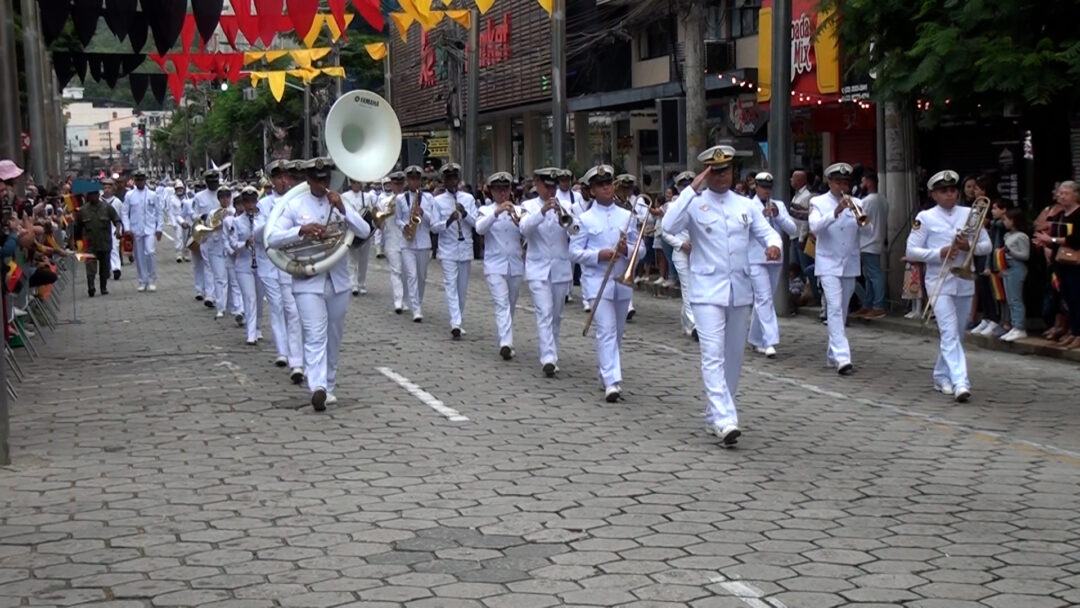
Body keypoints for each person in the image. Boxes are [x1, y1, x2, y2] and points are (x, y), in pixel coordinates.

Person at [662, 146, 782, 447]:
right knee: (712, 355)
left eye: (725, 170)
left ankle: (715, 413)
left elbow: (767, 232)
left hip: (738, 289)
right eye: (714, 172)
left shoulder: (745, 204)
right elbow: (668, 225)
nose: (720, 177)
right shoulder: (694, 203)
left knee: (734, 357)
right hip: (706, 290)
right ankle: (726, 418)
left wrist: (774, 245)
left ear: (733, 171)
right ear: (706, 173)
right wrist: (691, 188)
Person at [267, 158, 371, 411]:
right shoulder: (293, 205)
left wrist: (344, 211)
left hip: (337, 280)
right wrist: (300, 231)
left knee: (333, 337)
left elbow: (365, 231)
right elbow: (272, 238)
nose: (322, 184)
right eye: (316, 179)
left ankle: (330, 385)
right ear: (308, 180)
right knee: (315, 335)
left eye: (325, 179)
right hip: (307, 280)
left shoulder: (340, 202)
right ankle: (317, 387)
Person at [906, 170, 991, 401]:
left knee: (958, 333)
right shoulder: (925, 218)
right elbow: (911, 250)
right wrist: (939, 252)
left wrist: (967, 246)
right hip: (938, 279)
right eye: (944, 191)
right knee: (949, 331)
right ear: (933, 194)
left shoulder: (969, 213)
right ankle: (960, 381)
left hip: (964, 279)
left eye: (953, 190)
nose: (950, 195)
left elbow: (986, 246)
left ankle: (941, 375)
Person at [570, 164, 644, 402]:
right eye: (601, 186)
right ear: (592, 191)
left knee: (618, 332)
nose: (607, 189)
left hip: (622, 280)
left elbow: (640, 249)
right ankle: (613, 382)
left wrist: (628, 249)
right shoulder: (584, 219)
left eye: (609, 184)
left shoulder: (627, 216)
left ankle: (605, 371)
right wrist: (597, 255)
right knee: (606, 330)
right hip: (596, 281)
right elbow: (573, 252)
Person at [809, 162, 871, 375]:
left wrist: (861, 215)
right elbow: (814, 228)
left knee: (842, 311)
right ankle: (844, 358)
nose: (842, 186)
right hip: (827, 262)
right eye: (838, 182)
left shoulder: (857, 202)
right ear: (829, 182)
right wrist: (835, 212)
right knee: (834, 307)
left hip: (850, 263)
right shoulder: (818, 202)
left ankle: (832, 354)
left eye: (845, 182)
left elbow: (868, 230)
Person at [520, 168, 574, 376]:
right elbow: (524, 229)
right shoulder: (528, 206)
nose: (551, 191)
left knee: (556, 315)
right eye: (547, 186)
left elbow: (575, 230)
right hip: (537, 268)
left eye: (554, 187)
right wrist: (542, 212)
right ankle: (548, 357)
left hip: (560, 268)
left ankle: (553, 352)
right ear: (537, 184)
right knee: (544, 311)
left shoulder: (567, 205)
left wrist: (564, 214)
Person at [256, 160, 304, 378]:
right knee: (276, 307)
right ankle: (282, 351)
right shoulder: (265, 203)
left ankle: (296, 360)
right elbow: (256, 232)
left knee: (293, 311)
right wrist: (272, 224)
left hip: (290, 261)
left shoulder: (297, 201)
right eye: (278, 177)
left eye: (286, 177)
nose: (283, 181)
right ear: (272, 181)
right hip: (269, 263)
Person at [746, 172, 798, 357]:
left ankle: (755, 339)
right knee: (764, 298)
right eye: (762, 187)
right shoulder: (748, 205)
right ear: (756, 187)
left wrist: (778, 216)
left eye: (769, 188)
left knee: (765, 299)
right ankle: (770, 341)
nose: (766, 191)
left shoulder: (780, 205)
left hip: (776, 258)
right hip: (755, 257)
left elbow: (792, 229)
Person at [474, 171, 525, 360]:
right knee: (501, 302)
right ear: (491, 192)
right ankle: (506, 342)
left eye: (505, 189)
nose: (502, 194)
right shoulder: (486, 211)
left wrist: (517, 219)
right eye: (498, 190)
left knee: (510, 304)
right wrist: (497, 212)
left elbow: (527, 233)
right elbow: (479, 228)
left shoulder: (519, 210)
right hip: (494, 265)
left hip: (515, 265)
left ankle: (506, 338)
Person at [431, 163, 478, 338]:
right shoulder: (437, 201)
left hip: (465, 247)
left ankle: (459, 318)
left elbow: (477, 225)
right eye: (448, 179)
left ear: (458, 179)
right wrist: (449, 221)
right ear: (444, 181)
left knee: (462, 288)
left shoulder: (468, 199)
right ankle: (455, 322)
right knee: (450, 284)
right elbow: (434, 227)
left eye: (454, 178)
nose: (452, 182)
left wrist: (465, 214)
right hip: (447, 248)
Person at [1033, 180, 1080, 349]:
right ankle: (1073, 332)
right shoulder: (1060, 215)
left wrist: (1052, 239)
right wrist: (1045, 242)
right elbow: (1055, 239)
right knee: (1066, 298)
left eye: (1065, 193)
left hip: (1076, 262)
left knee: (1077, 297)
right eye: (1060, 193)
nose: (1061, 196)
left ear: (1075, 195)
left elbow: (1076, 239)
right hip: (1061, 262)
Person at [397, 165, 436, 322]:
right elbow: (398, 219)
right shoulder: (401, 198)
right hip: (407, 242)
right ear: (407, 181)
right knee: (411, 275)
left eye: (417, 179)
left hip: (423, 242)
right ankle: (416, 309)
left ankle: (418, 302)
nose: (414, 182)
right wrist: (403, 226)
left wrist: (423, 213)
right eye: (411, 179)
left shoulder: (428, 198)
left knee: (421, 276)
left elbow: (433, 221)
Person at [661, 171, 697, 339]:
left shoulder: (701, 204)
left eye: (690, 185)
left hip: (699, 254)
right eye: (683, 186)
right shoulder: (673, 206)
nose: (687, 189)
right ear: (678, 188)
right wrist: (681, 244)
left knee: (694, 290)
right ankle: (695, 325)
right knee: (688, 287)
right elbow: (665, 233)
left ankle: (686, 321)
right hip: (681, 253)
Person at [226, 187, 263, 345]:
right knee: (249, 298)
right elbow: (233, 243)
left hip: (261, 264)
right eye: (246, 202)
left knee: (260, 298)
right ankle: (250, 332)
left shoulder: (263, 219)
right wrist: (244, 244)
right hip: (244, 264)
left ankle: (258, 327)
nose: (249, 205)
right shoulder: (236, 221)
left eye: (252, 201)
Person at [73, 186, 123, 297]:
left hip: (104, 243)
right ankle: (91, 287)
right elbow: (77, 228)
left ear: (98, 195)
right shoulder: (83, 211)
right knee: (90, 268)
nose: (93, 197)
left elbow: (117, 220)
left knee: (104, 268)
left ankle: (103, 287)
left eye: (95, 195)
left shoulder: (107, 208)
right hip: (89, 244)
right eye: (90, 195)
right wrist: (76, 242)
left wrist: (118, 231)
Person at [121, 170, 163, 292]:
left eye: (142, 180)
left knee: (150, 252)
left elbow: (159, 212)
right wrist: (127, 228)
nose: (140, 182)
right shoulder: (129, 195)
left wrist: (159, 228)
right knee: (139, 256)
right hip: (135, 229)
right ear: (134, 181)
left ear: (145, 180)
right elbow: (124, 213)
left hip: (149, 228)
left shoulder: (152, 195)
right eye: (138, 180)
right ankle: (142, 280)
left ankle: (152, 279)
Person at [855, 169, 887, 318]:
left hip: (868, 241)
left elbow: (862, 220)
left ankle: (878, 304)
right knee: (869, 275)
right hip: (876, 240)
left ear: (868, 182)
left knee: (874, 275)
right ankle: (868, 303)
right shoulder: (883, 199)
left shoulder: (866, 201)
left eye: (863, 181)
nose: (861, 184)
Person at [999, 207, 1030, 342]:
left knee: (1016, 299)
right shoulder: (1007, 235)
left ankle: (1020, 326)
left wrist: (1010, 252)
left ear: (1013, 221)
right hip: (1007, 267)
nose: (1004, 222)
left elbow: (1025, 255)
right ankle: (1013, 324)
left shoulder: (1022, 236)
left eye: (1006, 219)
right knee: (1010, 299)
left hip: (1017, 267)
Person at [190, 170, 221, 305]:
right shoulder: (199, 197)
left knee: (221, 267)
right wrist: (201, 217)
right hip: (206, 235)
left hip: (221, 236)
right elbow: (193, 214)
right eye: (210, 181)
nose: (213, 183)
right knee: (208, 265)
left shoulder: (224, 194)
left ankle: (220, 295)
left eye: (215, 181)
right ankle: (209, 295)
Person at [379, 172, 408, 313]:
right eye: (395, 184)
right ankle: (398, 301)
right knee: (396, 271)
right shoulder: (385, 202)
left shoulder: (410, 200)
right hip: (392, 239)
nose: (397, 187)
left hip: (408, 239)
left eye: (400, 184)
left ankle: (407, 300)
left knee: (407, 272)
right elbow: (380, 221)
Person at [342, 178, 373, 296]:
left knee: (363, 260)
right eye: (354, 182)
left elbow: (371, 212)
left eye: (358, 182)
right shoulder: (345, 196)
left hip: (364, 231)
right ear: (350, 183)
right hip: (350, 231)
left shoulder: (367, 196)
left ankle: (362, 283)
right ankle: (353, 283)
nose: (356, 185)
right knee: (351, 259)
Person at [101, 178, 124, 280]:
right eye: (105, 188)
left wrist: (120, 230)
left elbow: (121, 217)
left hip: (114, 228)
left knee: (114, 248)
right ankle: (107, 269)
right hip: (101, 229)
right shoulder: (99, 201)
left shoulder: (117, 202)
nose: (107, 190)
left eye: (109, 188)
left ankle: (116, 269)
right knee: (105, 251)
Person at [168, 180, 191, 263]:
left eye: (181, 188)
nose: (179, 190)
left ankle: (186, 253)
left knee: (187, 237)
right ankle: (178, 254)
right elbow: (170, 211)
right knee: (178, 237)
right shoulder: (172, 199)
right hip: (177, 220)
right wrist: (173, 222)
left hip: (186, 220)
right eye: (178, 189)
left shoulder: (187, 198)